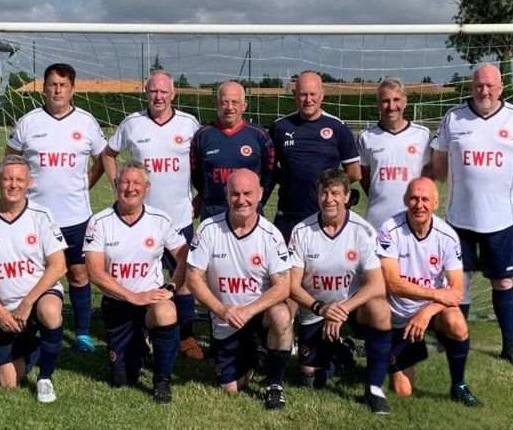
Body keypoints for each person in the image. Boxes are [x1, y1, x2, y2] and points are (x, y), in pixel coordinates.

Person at [428, 64, 513, 367]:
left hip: (501, 220)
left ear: (500, 88)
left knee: (502, 282)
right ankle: (454, 337)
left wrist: (504, 186)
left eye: (490, 86)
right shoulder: (454, 117)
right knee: (457, 284)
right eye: (478, 85)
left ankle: (510, 345)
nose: (484, 91)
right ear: (471, 87)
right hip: (459, 220)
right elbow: (438, 159)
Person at [102, 70, 204, 361]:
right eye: (152, 92)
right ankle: (142, 332)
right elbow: (108, 154)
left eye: (163, 91)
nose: (158, 96)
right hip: (139, 221)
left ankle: (185, 337)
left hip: (179, 219)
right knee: (140, 278)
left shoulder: (189, 124)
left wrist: (201, 195)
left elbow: (202, 161)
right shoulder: (132, 124)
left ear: (173, 94)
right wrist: (116, 185)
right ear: (146, 94)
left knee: (182, 280)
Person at [5, 63, 108, 353]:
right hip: (36, 218)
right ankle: (34, 326)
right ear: (44, 88)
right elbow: (11, 157)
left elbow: (102, 158)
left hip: (76, 216)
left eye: (63, 85)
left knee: (78, 273)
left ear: (73, 89)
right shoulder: (29, 122)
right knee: (36, 275)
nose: (57, 90)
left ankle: (83, 333)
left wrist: (85, 183)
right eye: (52, 84)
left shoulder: (86, 122)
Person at [185, 169, 293, 410]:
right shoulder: (208, 229)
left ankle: (275, 385)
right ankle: (260, 357)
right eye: (235, 193)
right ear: (226, 194)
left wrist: (249, 311)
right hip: (226, 319)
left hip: (258, 314)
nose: (241, 200)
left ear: (260, 194)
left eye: (248, 193)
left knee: (281, 314)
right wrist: (221, 309)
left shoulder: (270, 235)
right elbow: (193, 279)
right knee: (229, 388)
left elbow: (283, 286)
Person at [288, 169, 393, 414]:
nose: (329, 199)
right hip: (316, 307)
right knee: (310, 381)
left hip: (352, 307)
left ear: (347, 196)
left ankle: (374, 389)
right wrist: (322, 308)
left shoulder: (363, 230)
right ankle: (342, 352)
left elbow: (377, 284)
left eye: (335, 193)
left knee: (380, 308)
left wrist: (343, 309)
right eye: (324, 193)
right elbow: (292, 285)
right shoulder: (302, 231)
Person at [0, 155, 68, 403]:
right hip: (7, 310)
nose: (13, 185)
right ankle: (37, 343)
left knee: (50, 311)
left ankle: (45, 378)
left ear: (29, 182)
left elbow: (58, 265)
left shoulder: (41, 215)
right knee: (8, 383)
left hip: (39, 296)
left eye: (19, 179)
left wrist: (28, 303)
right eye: (8, 179)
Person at [84, 160, 188, 404]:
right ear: (116, 185)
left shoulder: (160, 219)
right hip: (118, 303)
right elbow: (95, 271)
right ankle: (141, 346)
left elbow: (185, 255)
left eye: (136, 183)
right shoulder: (99, 222)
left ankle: (162, 381)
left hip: (150, 302)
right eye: (125, 182)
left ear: (147, 188)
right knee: (123, 379)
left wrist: (171, 287)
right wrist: (132, 297)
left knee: (165, 312)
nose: (130, 188)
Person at [377, 177, 481, 406]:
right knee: (403, 391)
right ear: (405, 200)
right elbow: (392, 283)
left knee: (456, 321)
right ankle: (390, 352)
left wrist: (425, 313)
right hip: (396, 316)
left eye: (425, 199)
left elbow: (456, 291)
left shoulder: (448, 236)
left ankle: (459, 385)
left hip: (428, 313)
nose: (419, 204)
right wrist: (435, 294)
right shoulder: (389, 230)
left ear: (435, 203)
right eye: (414, 198)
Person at [270, 71, 361, 242]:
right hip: (289, 215)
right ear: (295, 95)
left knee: (324, 267)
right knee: (286, 267)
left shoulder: (338, 127)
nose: (308, 99)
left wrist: (330, 186)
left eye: (313, 94)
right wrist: (291, 180)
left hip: (325, 214)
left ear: (322, 95)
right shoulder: (280, 127)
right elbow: (270, 169)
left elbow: (355, 172)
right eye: (303, 94)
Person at [190, 81, 274, 221]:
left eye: (235, 102)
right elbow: (196, 174)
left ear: (244, 105)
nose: (230, 107)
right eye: (224, 102)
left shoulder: (259, 136)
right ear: (217, 104)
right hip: (213, 211)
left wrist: (255, 201)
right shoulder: (202, 135)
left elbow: (269, 175)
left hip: (249, 211)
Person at [357, 77, 433, 231]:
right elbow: (364, 177)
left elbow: (427, 175)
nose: (391, 106)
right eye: (385, 100)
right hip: (378, 221)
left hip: (413, 219)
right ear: (378, 104)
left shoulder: (422, 135)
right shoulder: (366, 137)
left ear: (405, 102)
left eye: (396, 99)